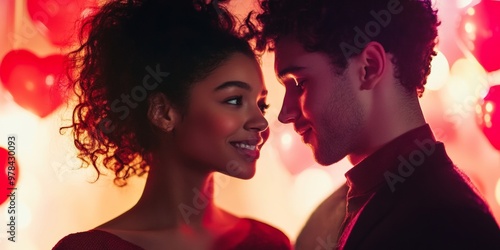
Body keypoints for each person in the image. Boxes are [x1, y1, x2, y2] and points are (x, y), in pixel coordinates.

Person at [246, 0, 500, 249]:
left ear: (369, 67)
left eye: (301, 83)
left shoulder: (452, 222)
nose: (285, 113)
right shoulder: (328, 218)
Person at [53, 0, 292, 249]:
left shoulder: (270, 243)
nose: (261, 122)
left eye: (261, 105)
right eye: (234, 100)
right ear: (163, 113)